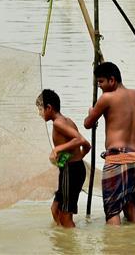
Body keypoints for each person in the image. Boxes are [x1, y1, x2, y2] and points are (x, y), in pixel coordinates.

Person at [83, 61, 135, 225]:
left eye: (101, 82)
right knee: (129, 204)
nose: (100, 87)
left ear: (112, 80)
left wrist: (91, 112)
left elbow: (88, 124)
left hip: (117, 159)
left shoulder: (107, 98)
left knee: (112, 210)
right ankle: (134, 241)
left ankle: (115, 247)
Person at [37, 89, 91, 228]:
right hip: (71, 169)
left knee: (66, 216)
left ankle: (70, 247)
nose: (39, 113)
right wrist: (74, 158)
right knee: (55, 209)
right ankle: (61, 241)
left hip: (71, 171)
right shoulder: (68, 121)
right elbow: (87, 146)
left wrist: (57, 149)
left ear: (49, 108)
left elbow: (79, 139)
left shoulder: (58, 123)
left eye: (40, 109)